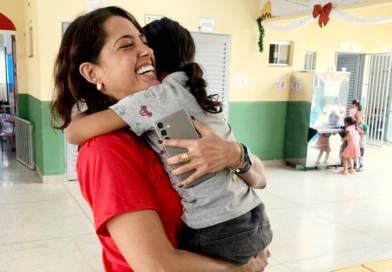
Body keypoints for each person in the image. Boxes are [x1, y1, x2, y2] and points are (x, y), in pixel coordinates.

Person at [51, 6, 270, 272]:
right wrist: (241, 270)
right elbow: (156, 266)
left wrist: (233, 153)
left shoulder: (161, 121)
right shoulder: (106, 149)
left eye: (144, 42)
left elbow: (260, 177)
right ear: (92, 73)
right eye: (126, 45)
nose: (147, 51)